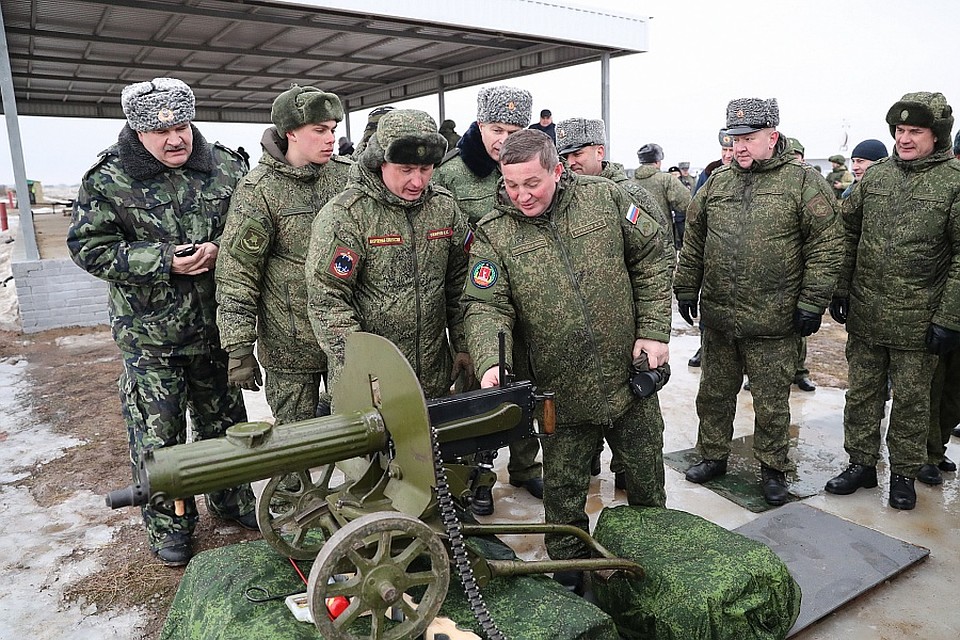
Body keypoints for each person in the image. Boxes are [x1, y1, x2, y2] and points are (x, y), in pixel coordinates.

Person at [461, 129, 673, 595]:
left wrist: (655, 330)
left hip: (629, 378)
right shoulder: (495, 232)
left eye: (532, 183)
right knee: (563, 493)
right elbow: (485, 306)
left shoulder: (605, 200)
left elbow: (653, 258)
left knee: (645, 481)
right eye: (511, 185)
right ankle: (569, 574)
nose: (521, 196)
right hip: (560, 391)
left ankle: (653, 563)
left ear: (557, 169)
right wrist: (491, 362)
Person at [66, 77, 256, 566]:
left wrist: (222, 250)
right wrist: (164, 260)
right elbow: (89, 247)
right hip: (151, 338)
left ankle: (232, 500)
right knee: (159, 433)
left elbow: (250, 230)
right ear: (136, 130)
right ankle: (170, 524)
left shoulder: (226, 168)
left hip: (216, 329)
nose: (175, 138)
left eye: (182, 126)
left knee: (226, 425)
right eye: (160, 131)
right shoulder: (108, 179)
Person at [675, 97, 842, 506]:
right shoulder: (717, 182)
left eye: (749, 138)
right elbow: (694, 239)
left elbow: (827, 245)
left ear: (772, 136)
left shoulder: (803, 183)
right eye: (734, 139)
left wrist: (811, 302)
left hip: (774, 319)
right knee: (714, 394)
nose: (740, 147)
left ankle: (772, 468)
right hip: (719, 317)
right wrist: (685, 286)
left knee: (770, 402)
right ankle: (712, 455)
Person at [825, 91, 960, 510]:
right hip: (867, 314)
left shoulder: (953, 183)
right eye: (899, 130)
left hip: (919, 321)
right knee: (862, 393)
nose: (904, 138)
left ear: (936, 136)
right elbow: (848, 233)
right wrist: (841, 288)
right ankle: (861, 464)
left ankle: (903, 474)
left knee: (912, 401)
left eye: (914, 131)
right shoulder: (878, 177)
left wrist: (949, 317)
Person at [305, 108, 471, 406]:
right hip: (369, 387)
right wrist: (365, 369)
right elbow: (327, 301)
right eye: (406, 170)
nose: (418, 182)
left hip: (433, 380)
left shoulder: (444, 208)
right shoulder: (347, 215)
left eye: (426, 169)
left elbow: (459, 281)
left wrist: (463, 344)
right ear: (380, 162)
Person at [216, 85, 351, 437]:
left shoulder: (347, 177)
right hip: (290, 348)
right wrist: (239, 344)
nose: (330, 139)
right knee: (294, 445)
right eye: (319, 131)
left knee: (359, 438)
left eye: (333, 130)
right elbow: (237, 272)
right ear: (290, 132)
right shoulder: (259, 190)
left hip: (346, 340)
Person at [434, 86, 544, 513]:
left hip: (529, 299)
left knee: (525, 384)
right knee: (478, 389)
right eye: (497, 129)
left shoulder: (530, 166)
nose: (504, 139)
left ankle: (526, 466)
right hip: (473, 301)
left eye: (515, 129)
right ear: (480, 126)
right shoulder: (451, 175)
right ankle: (476, 476)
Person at [555, 116, 673, 490]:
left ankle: (625, 468)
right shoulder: (563, 196)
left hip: (627, 324)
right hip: (582, 330)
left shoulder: (630, 195)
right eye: (564, 154)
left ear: (599, 151)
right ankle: (590, 460)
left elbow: (658, 254)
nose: (571, 161)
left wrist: (651, 326)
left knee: (630, 410)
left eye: (578, 153)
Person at [688, 129, 736, 369]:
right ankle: (704, 345)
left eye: (731, 149)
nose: (728, 155)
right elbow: (696, 212)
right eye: (724, 150)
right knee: (709, 302)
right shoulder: (709, 172)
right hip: (713, 252)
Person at [633, 143, 692, 252]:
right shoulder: (666, 180)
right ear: (657, 161)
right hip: (663, 245)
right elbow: (688, 204)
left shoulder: (630, 182)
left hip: (636, 245)